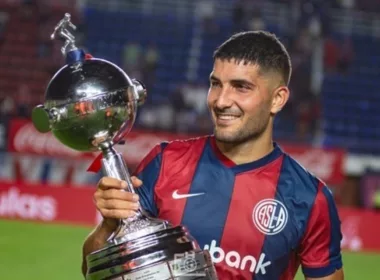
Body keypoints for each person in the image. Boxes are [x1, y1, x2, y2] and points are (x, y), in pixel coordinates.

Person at [82, 31, 344, 280]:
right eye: (215, 84)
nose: (221, 101)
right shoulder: (165, 162)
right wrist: (108, 224)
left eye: (241, 87)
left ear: (277, 99)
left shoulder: (310, 198)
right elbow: (93, 269)